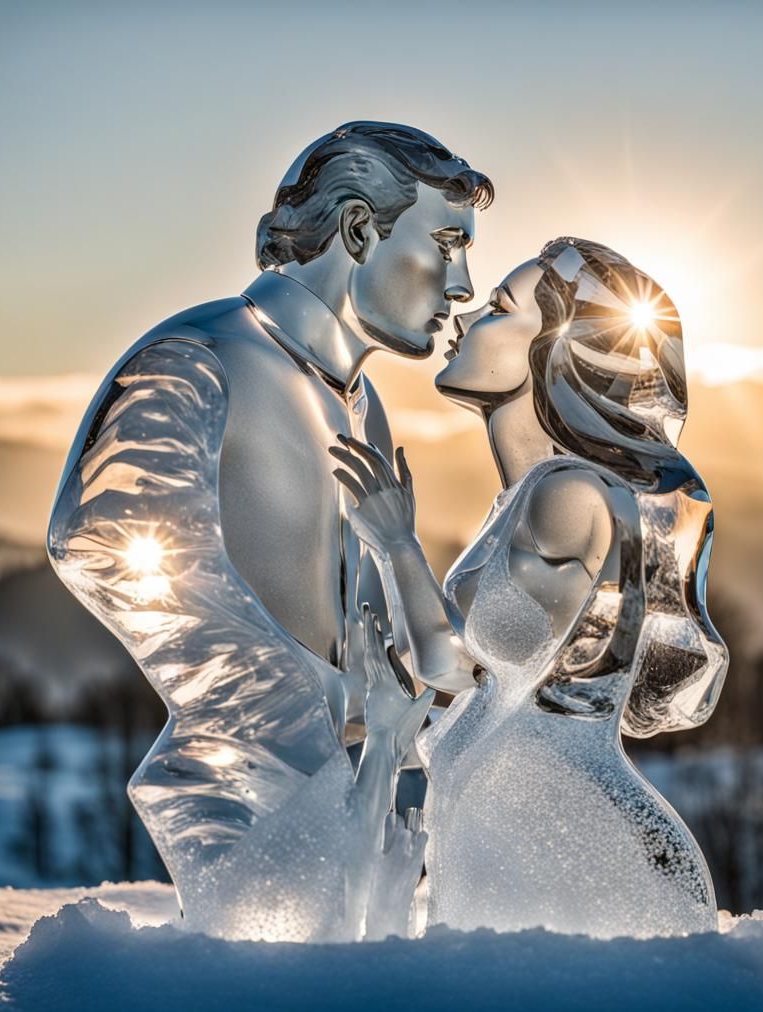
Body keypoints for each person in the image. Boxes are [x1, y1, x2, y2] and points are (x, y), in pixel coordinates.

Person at [47, 123, 492, 941]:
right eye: (448, 243)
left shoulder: (362, 403)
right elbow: (104, 543)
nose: (462, 282)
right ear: (360, 229)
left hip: (362, 802)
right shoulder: (197, 355)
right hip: (240, 799)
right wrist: (316, 698)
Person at [332, 238, 728, 938]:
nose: (463, 319)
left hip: (568, 833)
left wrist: (396, 544)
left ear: (553, 349)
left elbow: (466, 663)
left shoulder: (569, 497)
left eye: (497, 309)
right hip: (519, 814)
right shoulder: (534, 496)